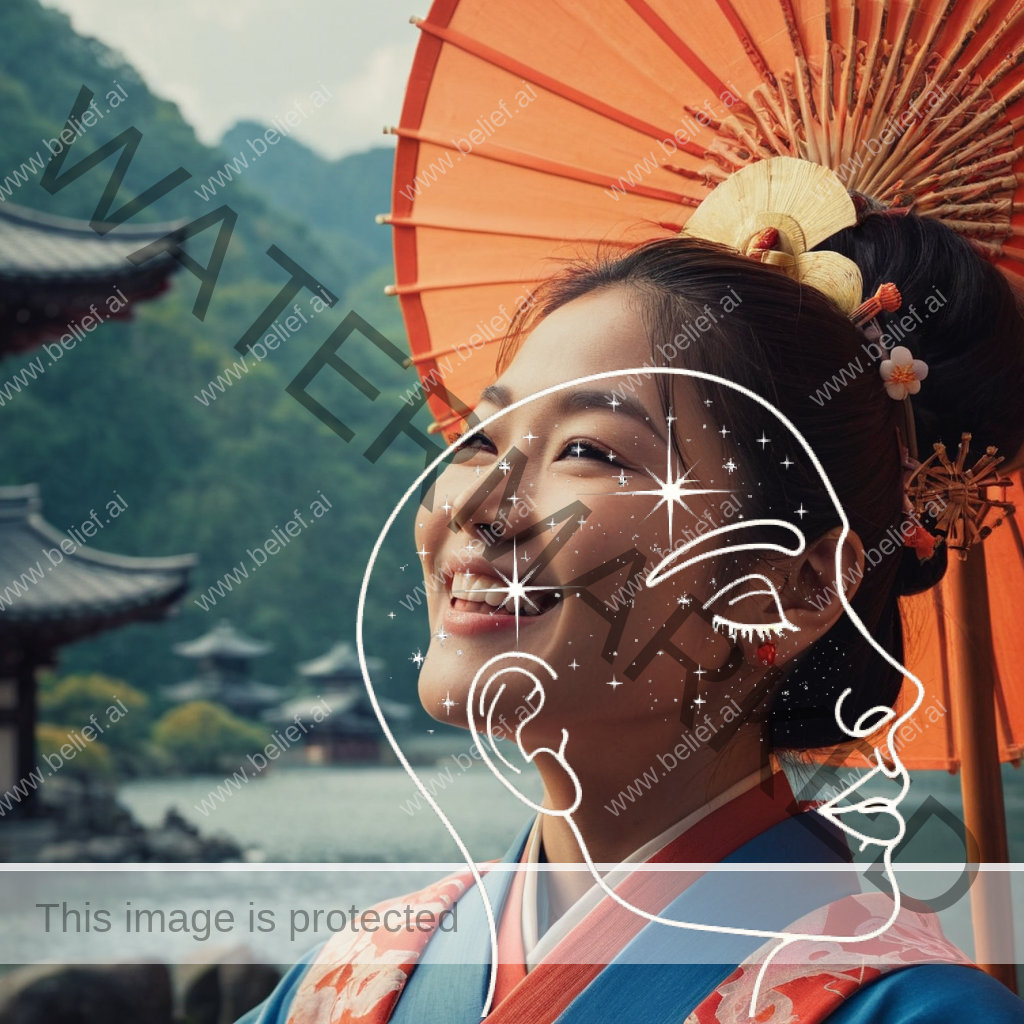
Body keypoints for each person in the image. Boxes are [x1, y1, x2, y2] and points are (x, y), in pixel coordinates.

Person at [237, 156, 1024, 1022]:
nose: (476, 506)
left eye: (591, 452)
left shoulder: (907, 1013)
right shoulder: (346, 978)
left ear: (791, 588)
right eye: (479, 438)